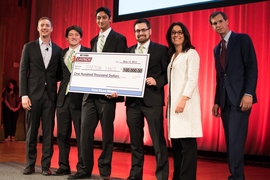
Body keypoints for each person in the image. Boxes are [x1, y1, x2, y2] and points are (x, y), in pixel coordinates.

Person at [68, 7, 127, 180]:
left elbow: (122, 65)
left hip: (108, 96)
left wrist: (119, 90)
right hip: (89, 95)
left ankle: (104, 172)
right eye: (98, 19)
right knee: (85, 133)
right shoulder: (93, 40)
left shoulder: (119, 39)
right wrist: (77, 61)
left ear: (110, 19)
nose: (100, 21)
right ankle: (84, 169)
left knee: (107, 136)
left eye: (103, 18)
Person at [209, 11, 258, 180]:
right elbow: (219, 78)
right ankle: (234, 175)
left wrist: (248, 93)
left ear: (227, 21)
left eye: (220, 21)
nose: (218, 25)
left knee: (236, 141)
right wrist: (216, 101)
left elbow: (252, 68)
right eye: (214, 24)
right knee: (230, 141)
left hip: (240, 99)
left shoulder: (242, 39)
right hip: (224, 101)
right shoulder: (217, 49)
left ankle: (237, 178)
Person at [125, 18, 169, 180]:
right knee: (135, 142)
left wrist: (157, 81)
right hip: (133, 102)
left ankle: (162, 176)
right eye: (137, 30)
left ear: (150, 31)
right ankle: (135, 175)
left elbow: (168, 74)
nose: (140, 33)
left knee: (158, 141)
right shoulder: (128, 51)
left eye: (143, 30)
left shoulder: (161, 50)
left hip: (153, 101)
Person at [19, 17, 62, 176]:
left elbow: (58, 74)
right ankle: (30, 165)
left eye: (47, 25)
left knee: (49, 133)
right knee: (31, 132)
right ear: (38, 28)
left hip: (50, 96)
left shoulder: (58, 50)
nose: (44, 28)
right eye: (42, 25)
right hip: (32, 96)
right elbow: (23, 72)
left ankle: (46, 166)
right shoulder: (28, 47)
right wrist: (24, 95)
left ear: (52, 29)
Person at [166, 22, 203, 180]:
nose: (176, 35)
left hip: (185, 104)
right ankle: (177, 177)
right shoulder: (172, 55)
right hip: (173, 106)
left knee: (187, 145)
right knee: (177, 146)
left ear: (185, 35)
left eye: (179, 32)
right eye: (173, 33)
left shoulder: (191, 53)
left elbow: (192, 79)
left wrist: (183, 99)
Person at [52, 26, 91, 176]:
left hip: (80, 100)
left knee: (82, 136)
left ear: (81, 38)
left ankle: (82, 168)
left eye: (76, 34)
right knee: (62, 135)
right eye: (70, 35)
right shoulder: (62, 53)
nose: (73, 37)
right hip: (62, 99)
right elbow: (59, 74)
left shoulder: (88, 52)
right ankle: (63, 166)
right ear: (66, 38)